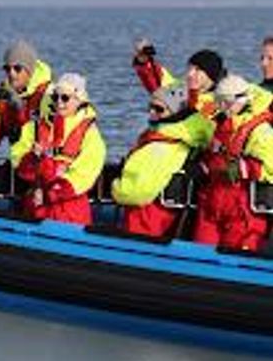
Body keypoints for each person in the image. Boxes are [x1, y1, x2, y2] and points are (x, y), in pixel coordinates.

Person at [11, 73, 106, 224]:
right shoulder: (34, 128)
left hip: (70, 212)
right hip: (36, 207)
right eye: (56, 97)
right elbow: (19, 165)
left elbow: (83, 176)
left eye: (65, 98)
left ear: (78, 100)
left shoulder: (90, 135)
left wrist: (50, 194)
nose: (59, 103)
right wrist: (33, 158)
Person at [192, 74, 273, 252]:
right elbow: (213, 156)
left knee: (235, 258)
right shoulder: (220, 124)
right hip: (212, 204)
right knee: (200, 253)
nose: (220, 107)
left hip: (241, 211)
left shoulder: (259, 131)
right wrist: (203, 167)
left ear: (240, 101)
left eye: (224, 102)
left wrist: (242, 168)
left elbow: (270, 166)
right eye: (219, 101)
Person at [112, 86, 195, 238]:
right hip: (152, 210)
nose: (152, 112)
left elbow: (136, 193)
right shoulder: (172, 139)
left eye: (159, 109)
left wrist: (116, 188)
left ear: (175, 113)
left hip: (147, 213)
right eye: (150, 107)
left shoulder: (162, 146)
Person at [0, 39, 53, 146]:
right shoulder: (5, 96)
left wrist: (20, 107)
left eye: (17, 68)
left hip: (42, 159)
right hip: (18, 159)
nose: (11, 74)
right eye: (7, 69)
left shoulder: (48, 94)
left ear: (30, 71)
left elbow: (45, 138)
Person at [131, 40, 224, 118]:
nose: (190, 74)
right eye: (189, 68)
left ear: (210, 75)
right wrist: (143, 60)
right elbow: (155, 76)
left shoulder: (220, 102)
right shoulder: (179, 89)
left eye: (198, 70)